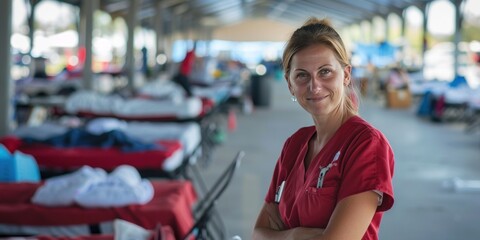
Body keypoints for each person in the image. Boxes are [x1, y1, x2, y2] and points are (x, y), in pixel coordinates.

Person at [252, 17, 395, 240]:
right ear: (290, 84)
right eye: (302, 75)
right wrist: (295, 236)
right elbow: (259, 233)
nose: (314, 86)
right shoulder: (295, 144)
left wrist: (281, 235)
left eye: (325, 71)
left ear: (346, 75)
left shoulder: (366, 144)